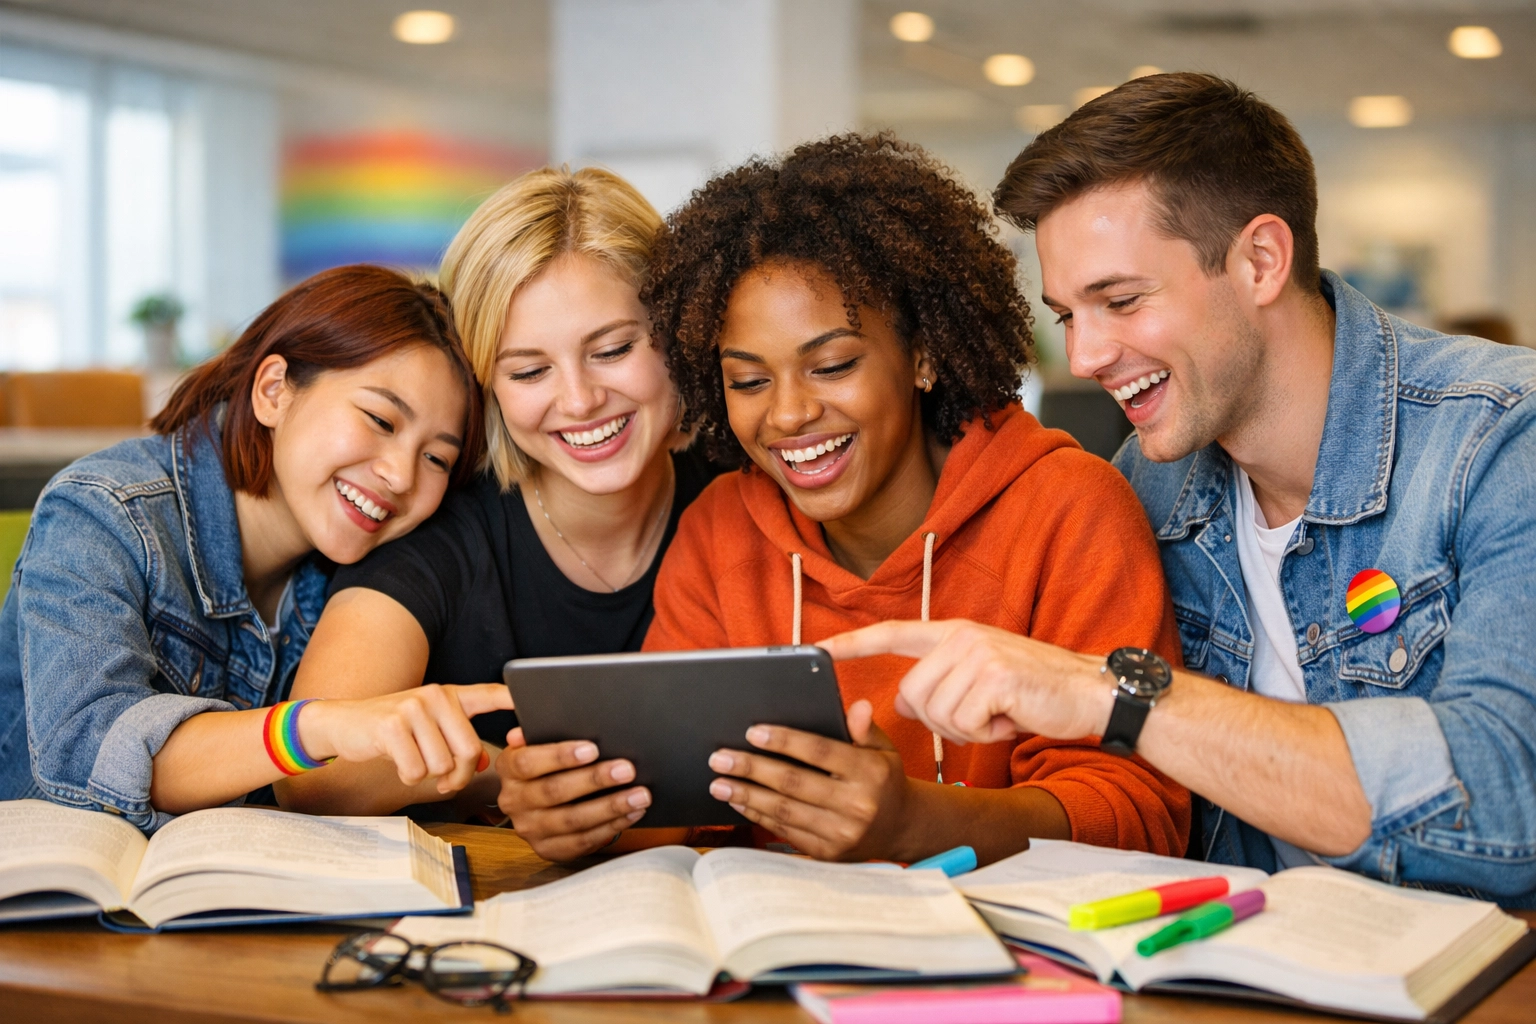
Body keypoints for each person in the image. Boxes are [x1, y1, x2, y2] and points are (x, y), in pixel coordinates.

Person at [826, 74, 1536, 905]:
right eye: (1066, 315)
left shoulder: (1499, 438)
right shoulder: (1145, 484)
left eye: (1120, 301)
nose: (1086, 356)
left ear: (1261, 260)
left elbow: (1507, 804)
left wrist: (1113, 694)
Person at [613, 133, 1187, 867]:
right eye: (749, 381)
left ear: (922, 356)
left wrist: (917, 822)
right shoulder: (722, 529)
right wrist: (593, 813)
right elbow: (679, 801)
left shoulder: (1066, 510)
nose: (786, 415)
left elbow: (1141, 816)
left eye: (832, 365)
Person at [277, 168, 719, 849]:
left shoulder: (743, 492)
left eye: (613, 350)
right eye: (528, 371)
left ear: (676, 336)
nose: (578, 401)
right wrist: (502, 774)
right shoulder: (442, 524)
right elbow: (316, 776)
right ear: (486, 386)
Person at [0, 265, 509, 832]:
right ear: (273, 391)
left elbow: (364, 771)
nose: (399, 475)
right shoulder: (102, 510)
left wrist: (506, 775)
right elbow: (86, 750)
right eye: (380, 419)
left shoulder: (364, 568)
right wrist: (312, 728)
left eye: (436, 457)